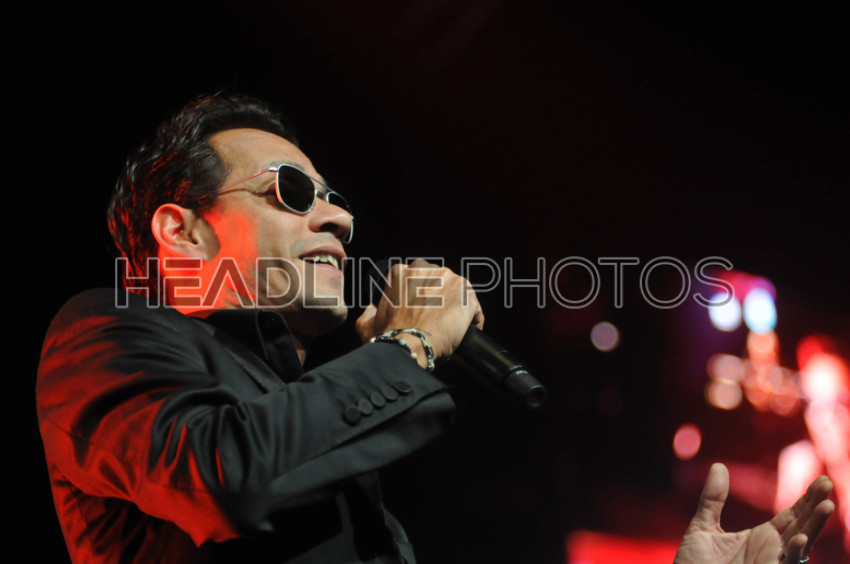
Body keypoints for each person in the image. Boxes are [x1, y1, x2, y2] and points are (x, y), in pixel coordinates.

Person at [36, 94, 834, 564]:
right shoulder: (103, 332)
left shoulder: (311, 412)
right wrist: (410, 344)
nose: (339, 219)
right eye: (292, 191)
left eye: (336, 200)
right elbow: (224, 475)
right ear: (182, 232)